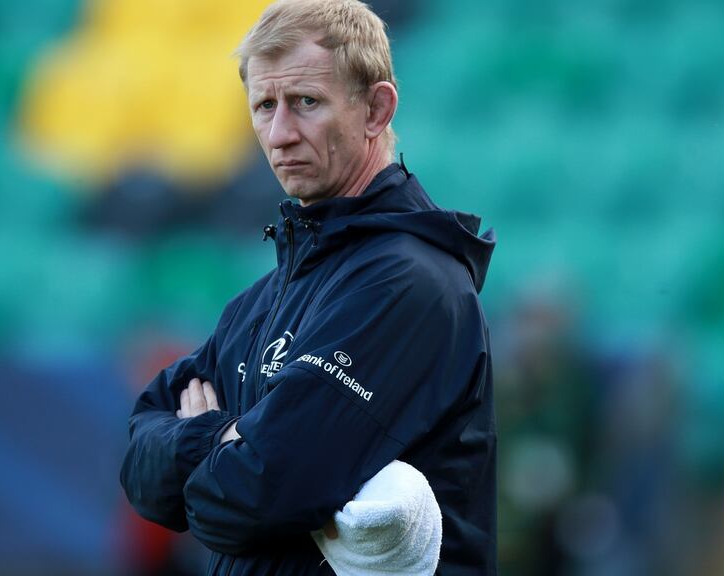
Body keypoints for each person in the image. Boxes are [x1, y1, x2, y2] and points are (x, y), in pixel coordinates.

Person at [119, 0, 497, 573]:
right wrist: (220, 443)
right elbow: (140, 467)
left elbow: (253, 498)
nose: (279, 133)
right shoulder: (261, 300)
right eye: (264, 106)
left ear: (376, 109)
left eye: (306, 103)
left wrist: (202, 440)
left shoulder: (410, 285)